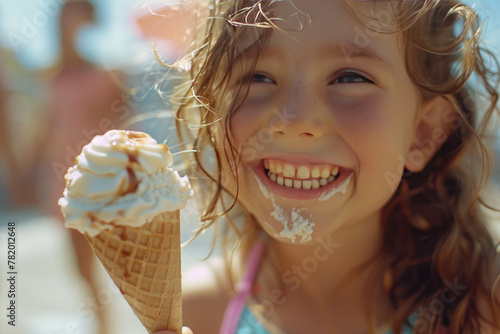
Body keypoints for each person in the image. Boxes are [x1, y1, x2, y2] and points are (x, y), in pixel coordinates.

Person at [154, 0, 500, 333]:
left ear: (422, 133)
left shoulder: (485, 308)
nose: (294, 118)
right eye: (257, 76)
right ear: (211, 111)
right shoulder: (194, 315)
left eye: (350, 78)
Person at [38, 1, 125, 333]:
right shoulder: (52, 73)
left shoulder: (102, 73)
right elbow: (46, 126)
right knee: (81, 270)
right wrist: (27, 169)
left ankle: (108, 326)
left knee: (115, 264)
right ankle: (103, 326)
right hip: (63, 183)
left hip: (98, 182)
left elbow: (120, 123)